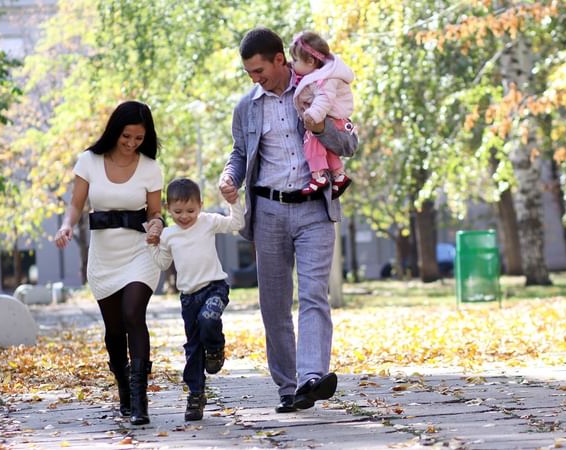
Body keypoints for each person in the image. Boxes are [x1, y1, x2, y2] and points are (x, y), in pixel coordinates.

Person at [218, 27, 358, 413]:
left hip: (314, 207)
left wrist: (318, 126)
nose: (254, 79)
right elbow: (239, 154)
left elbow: (349, 144)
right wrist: (229, 177)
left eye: (259, 70)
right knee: (274, 305)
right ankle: (289, 386)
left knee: (314, 294)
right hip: (268, 211)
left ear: (281, 59)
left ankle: (311, 378)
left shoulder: (316, 90)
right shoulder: (247, 106)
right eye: (249, 73)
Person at [54, 100, 164, 426]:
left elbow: (155, 213)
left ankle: (140, 400)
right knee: (114, 331)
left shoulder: (150, 167)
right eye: (126, 136)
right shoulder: (89, 161)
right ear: (115, 131)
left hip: (139, 253)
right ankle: (124, 390)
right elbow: (75, 205)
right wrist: (66, 226)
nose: (131, 144)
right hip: (103, 258)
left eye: (139, 139)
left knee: (133, 314)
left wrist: (157, 224)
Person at [146, 178, 245, 421]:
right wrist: (152, 244)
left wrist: (234, 202)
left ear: (200, 205)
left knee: (208, 319)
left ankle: (216, 348)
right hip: (189, 298)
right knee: (192, 349)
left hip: (214, 288)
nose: (185, 216)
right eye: (178, 211)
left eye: (191, 210)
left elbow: (236, 223)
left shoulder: (208, 221)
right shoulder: (169, 235)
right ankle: (196, 394)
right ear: (168, 208)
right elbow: (162, 263)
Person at [290, 30, 354, 196]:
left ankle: (318, 177)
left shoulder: (325, 79)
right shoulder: (319, 75)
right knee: (326, 147)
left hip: (333, 119)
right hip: (332, 118)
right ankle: (339, 176)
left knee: (311, 142)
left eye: (295, 60)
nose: (292, 63)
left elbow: (325, 98)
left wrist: (312, 115)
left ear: (310, 61)